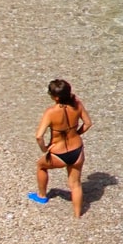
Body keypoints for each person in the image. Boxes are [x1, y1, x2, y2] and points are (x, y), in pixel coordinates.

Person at [31, 79, 91, 217]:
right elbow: (88, 123)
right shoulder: (77, 105)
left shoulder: (51, 112)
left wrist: (44, 148)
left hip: (59, 153)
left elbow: (39, 136)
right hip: (77, 150)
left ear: (56, 97)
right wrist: (77, 133)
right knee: (75, 184)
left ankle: (41, 196)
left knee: (41, 166)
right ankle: (77, 216)